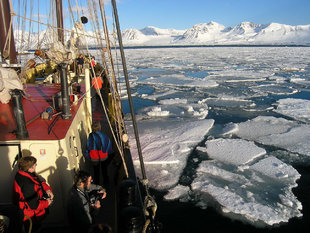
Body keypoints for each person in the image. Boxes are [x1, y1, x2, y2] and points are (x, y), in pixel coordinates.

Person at [13, 156, 54, 232]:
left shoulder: (22, 174)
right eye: (35, 164)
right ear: (30, 167)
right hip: (31, 217)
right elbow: (34, 205)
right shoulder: (27, 184)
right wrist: (47, 202)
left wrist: (47, 189)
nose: (36, 165)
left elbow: (39, 181)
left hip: (28, 213)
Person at [85, 121, 114, 187]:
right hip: (103, 157)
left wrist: (88, 156)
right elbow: (108, 146)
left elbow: (88, 147)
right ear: (100, 128)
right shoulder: (104, 136)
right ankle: (106, 183)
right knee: (104, 170)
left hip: (94, 158)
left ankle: (96, 184)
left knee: (96, 172)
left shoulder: (90, 136)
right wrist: (110, 154)